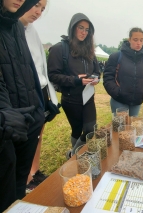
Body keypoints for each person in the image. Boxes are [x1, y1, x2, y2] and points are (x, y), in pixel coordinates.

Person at [0, 0, 45, 211]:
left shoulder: (17, 26)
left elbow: (29, 68)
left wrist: (40, 107)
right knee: (5, 191)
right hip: (7, 127)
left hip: (28, 121)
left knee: (19, 184)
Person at [20, 0, 60, 193]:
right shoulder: (13, 29)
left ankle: (34, 172)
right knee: (25, 138)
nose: (38, 12)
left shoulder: (32, 31)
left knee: (38, 134)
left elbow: (41, 68)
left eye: (42, 9)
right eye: (36, 5)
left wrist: (51, 98)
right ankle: (25, 179)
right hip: (25, 94)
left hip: (41, 90)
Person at [48, 13, 100, 158]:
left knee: (90, 129)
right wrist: (76, 80)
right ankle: (77, 157)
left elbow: (96, 71)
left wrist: (96, 79)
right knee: (77, 130)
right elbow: (53, 75)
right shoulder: (59, 49)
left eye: (87, 29)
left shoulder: (90, 50)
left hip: (88, 96)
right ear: (72, 28)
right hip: (71, 99)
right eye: (80, 28)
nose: (84, 32)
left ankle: (73, 155)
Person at [103, 27, 143, 116]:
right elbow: (108, 78)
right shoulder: (116, 57)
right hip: (119, 101)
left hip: (136, 103)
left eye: (141, 40)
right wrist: (117, 92)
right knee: (120, 128)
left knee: (133, 128)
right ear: (129, 39)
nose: (138, 43)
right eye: (135, 39)